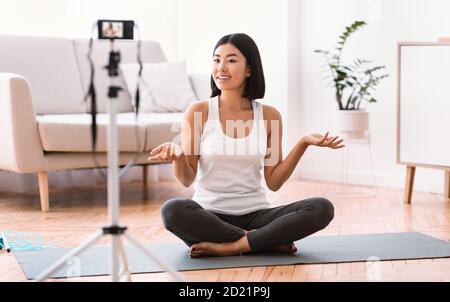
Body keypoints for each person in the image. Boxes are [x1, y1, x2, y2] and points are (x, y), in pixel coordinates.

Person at [147, 33, 345, 258]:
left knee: (321, 208)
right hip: (209, 217)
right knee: (172, 210)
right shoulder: (198, 112)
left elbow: (274, 182)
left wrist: (303, 143)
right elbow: (186, 179)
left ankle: (232, 246)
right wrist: (178, 156)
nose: (221, 67)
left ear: (249, 69)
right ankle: (262, 240)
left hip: (257, 214)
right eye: (216, 59)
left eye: (231, 60)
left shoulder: (269, 115)